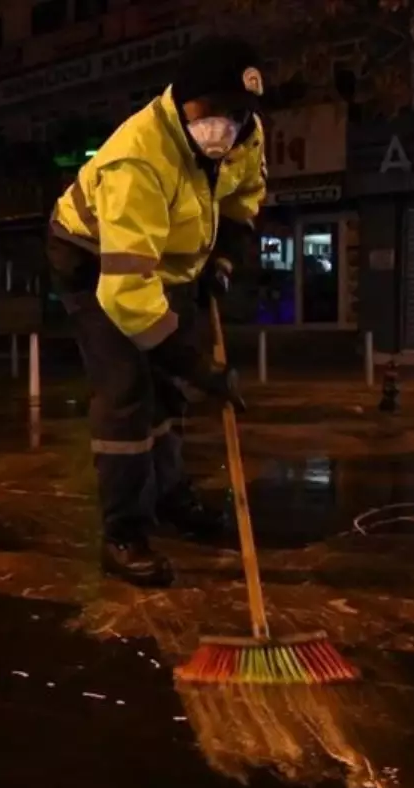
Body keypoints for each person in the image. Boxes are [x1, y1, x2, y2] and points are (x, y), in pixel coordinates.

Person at [46, 35, 268, 588]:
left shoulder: (246, 135)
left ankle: (170, 496)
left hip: (169, 266)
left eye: (235, 113)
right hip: (97, 263)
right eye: (211, 111)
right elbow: (126, 295)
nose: (223, 125)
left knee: (168, 393)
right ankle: (124, 532)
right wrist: (198, 367)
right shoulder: (137, 158)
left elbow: (243, 200)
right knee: (128, 392)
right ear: (183, 102)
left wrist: (223, 261)